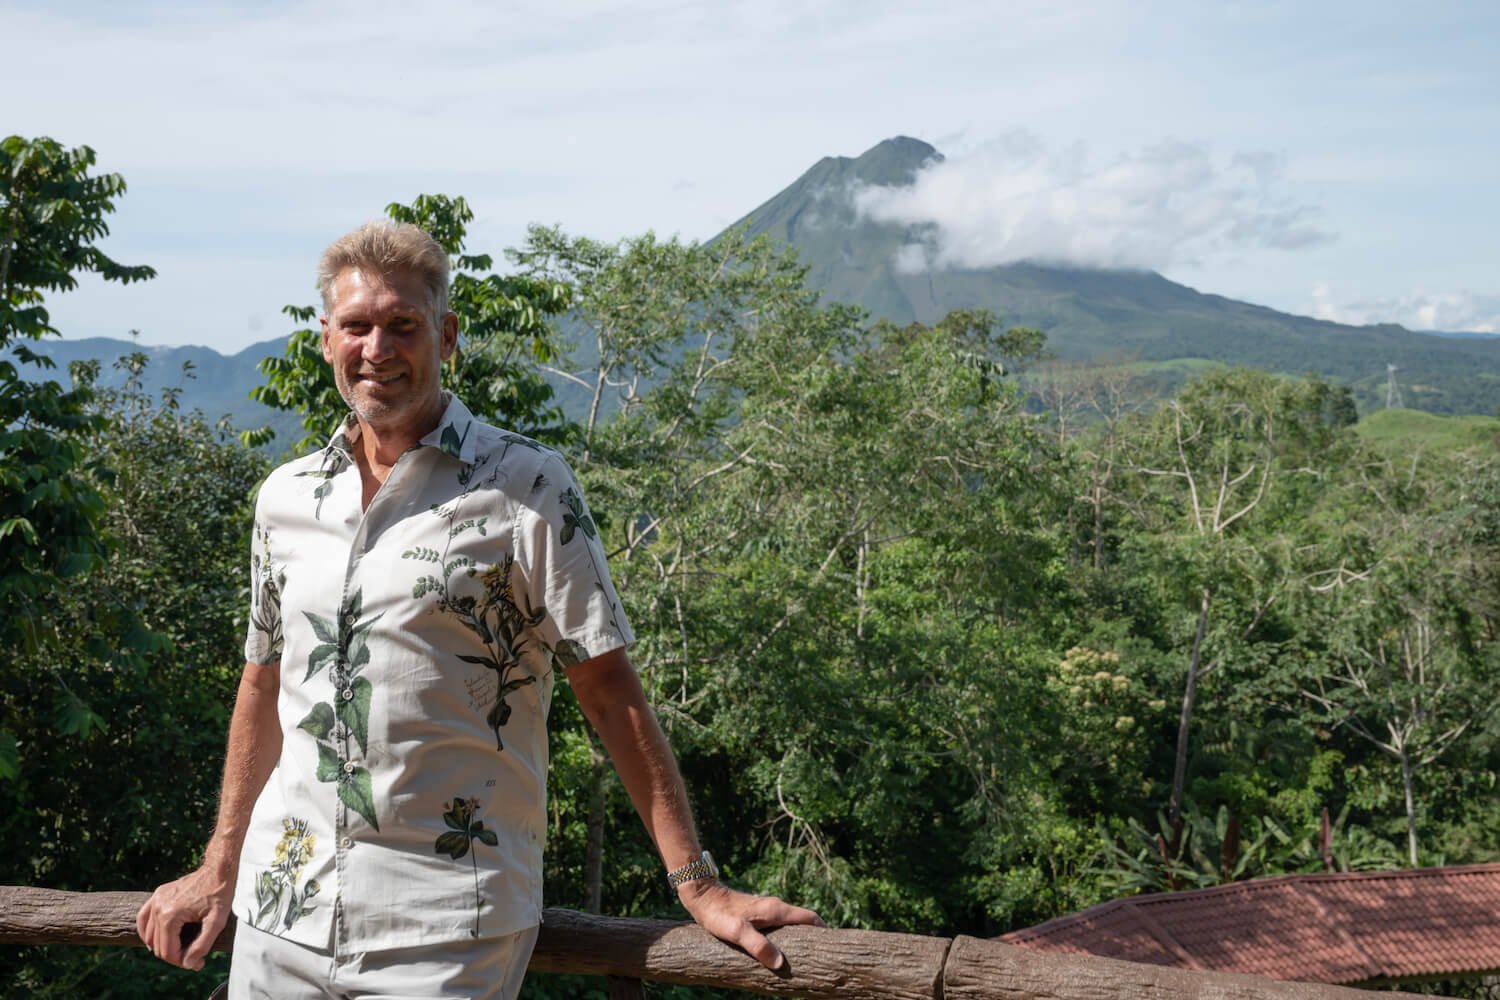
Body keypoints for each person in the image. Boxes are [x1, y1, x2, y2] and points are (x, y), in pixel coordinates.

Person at [136, 221, 821, 998]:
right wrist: (219, 865)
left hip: (445, 931)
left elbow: (607, 688)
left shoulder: (525, 486)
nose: (378, 348)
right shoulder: (286, 499)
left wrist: (696, 882)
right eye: (357, 326)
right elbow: (264, 685)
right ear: (325, 338)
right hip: (280, 914)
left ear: (447, 335)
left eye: (404, 326)